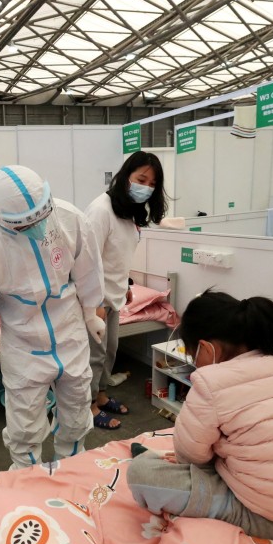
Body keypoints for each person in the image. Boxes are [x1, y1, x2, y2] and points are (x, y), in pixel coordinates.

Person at [127, 290, 273, 543]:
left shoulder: (211, 382)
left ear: (205, 348)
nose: (195, 363)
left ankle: (147, 459)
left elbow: (190, 455)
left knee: (142, 473)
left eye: (192, 355)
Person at [0, 165, 106, 469]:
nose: (37, 228)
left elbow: (88, 269)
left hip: (70, 331)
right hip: (23, 342)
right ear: (4, 221)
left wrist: (91, 313)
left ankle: (72, 467)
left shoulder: (69, 218)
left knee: (78, 408)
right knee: (24, 423)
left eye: (40, 218)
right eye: (25, 225)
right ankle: (28, 479)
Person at [85, 151, 168, 430]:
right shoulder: (100, 209)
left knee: (109, 352)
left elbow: (118, 252)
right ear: (126, 177)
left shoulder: (129, 212)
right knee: (93, 356)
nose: (147, 187)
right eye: (141, 179)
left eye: (153, 184)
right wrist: (92, 301)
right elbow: (87, 258)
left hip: (113, 296)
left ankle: (101, 394)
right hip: (95, 299)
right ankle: (89, 407)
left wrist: (127, 283)